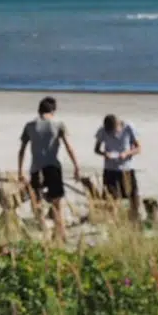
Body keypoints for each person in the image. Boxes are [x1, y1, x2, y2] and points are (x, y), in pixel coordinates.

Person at [17, 96, 82, 242]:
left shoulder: (29, 125)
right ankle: (61, 233)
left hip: (36, 167)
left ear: (39, 109)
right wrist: (76, 166)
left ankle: (44, 229)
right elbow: (68, 147)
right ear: (53, 110)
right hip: (53, 166)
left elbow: (21, 150)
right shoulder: (58, 124)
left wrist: (20, 170)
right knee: (57, 203)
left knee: (37, 202)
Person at [93, 114, 141, 222]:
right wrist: (105, 154)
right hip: (110, 170)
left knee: (133, 198)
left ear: (118, 124)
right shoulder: (103, 130)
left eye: (113, 130)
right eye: (109, 132)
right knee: (110, 199)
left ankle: (134, 221)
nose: (112, 134)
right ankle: (112, 222)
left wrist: (127, 153)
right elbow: (96, 149)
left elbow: (138, 148)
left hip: (126, 169)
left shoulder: (128, 128)